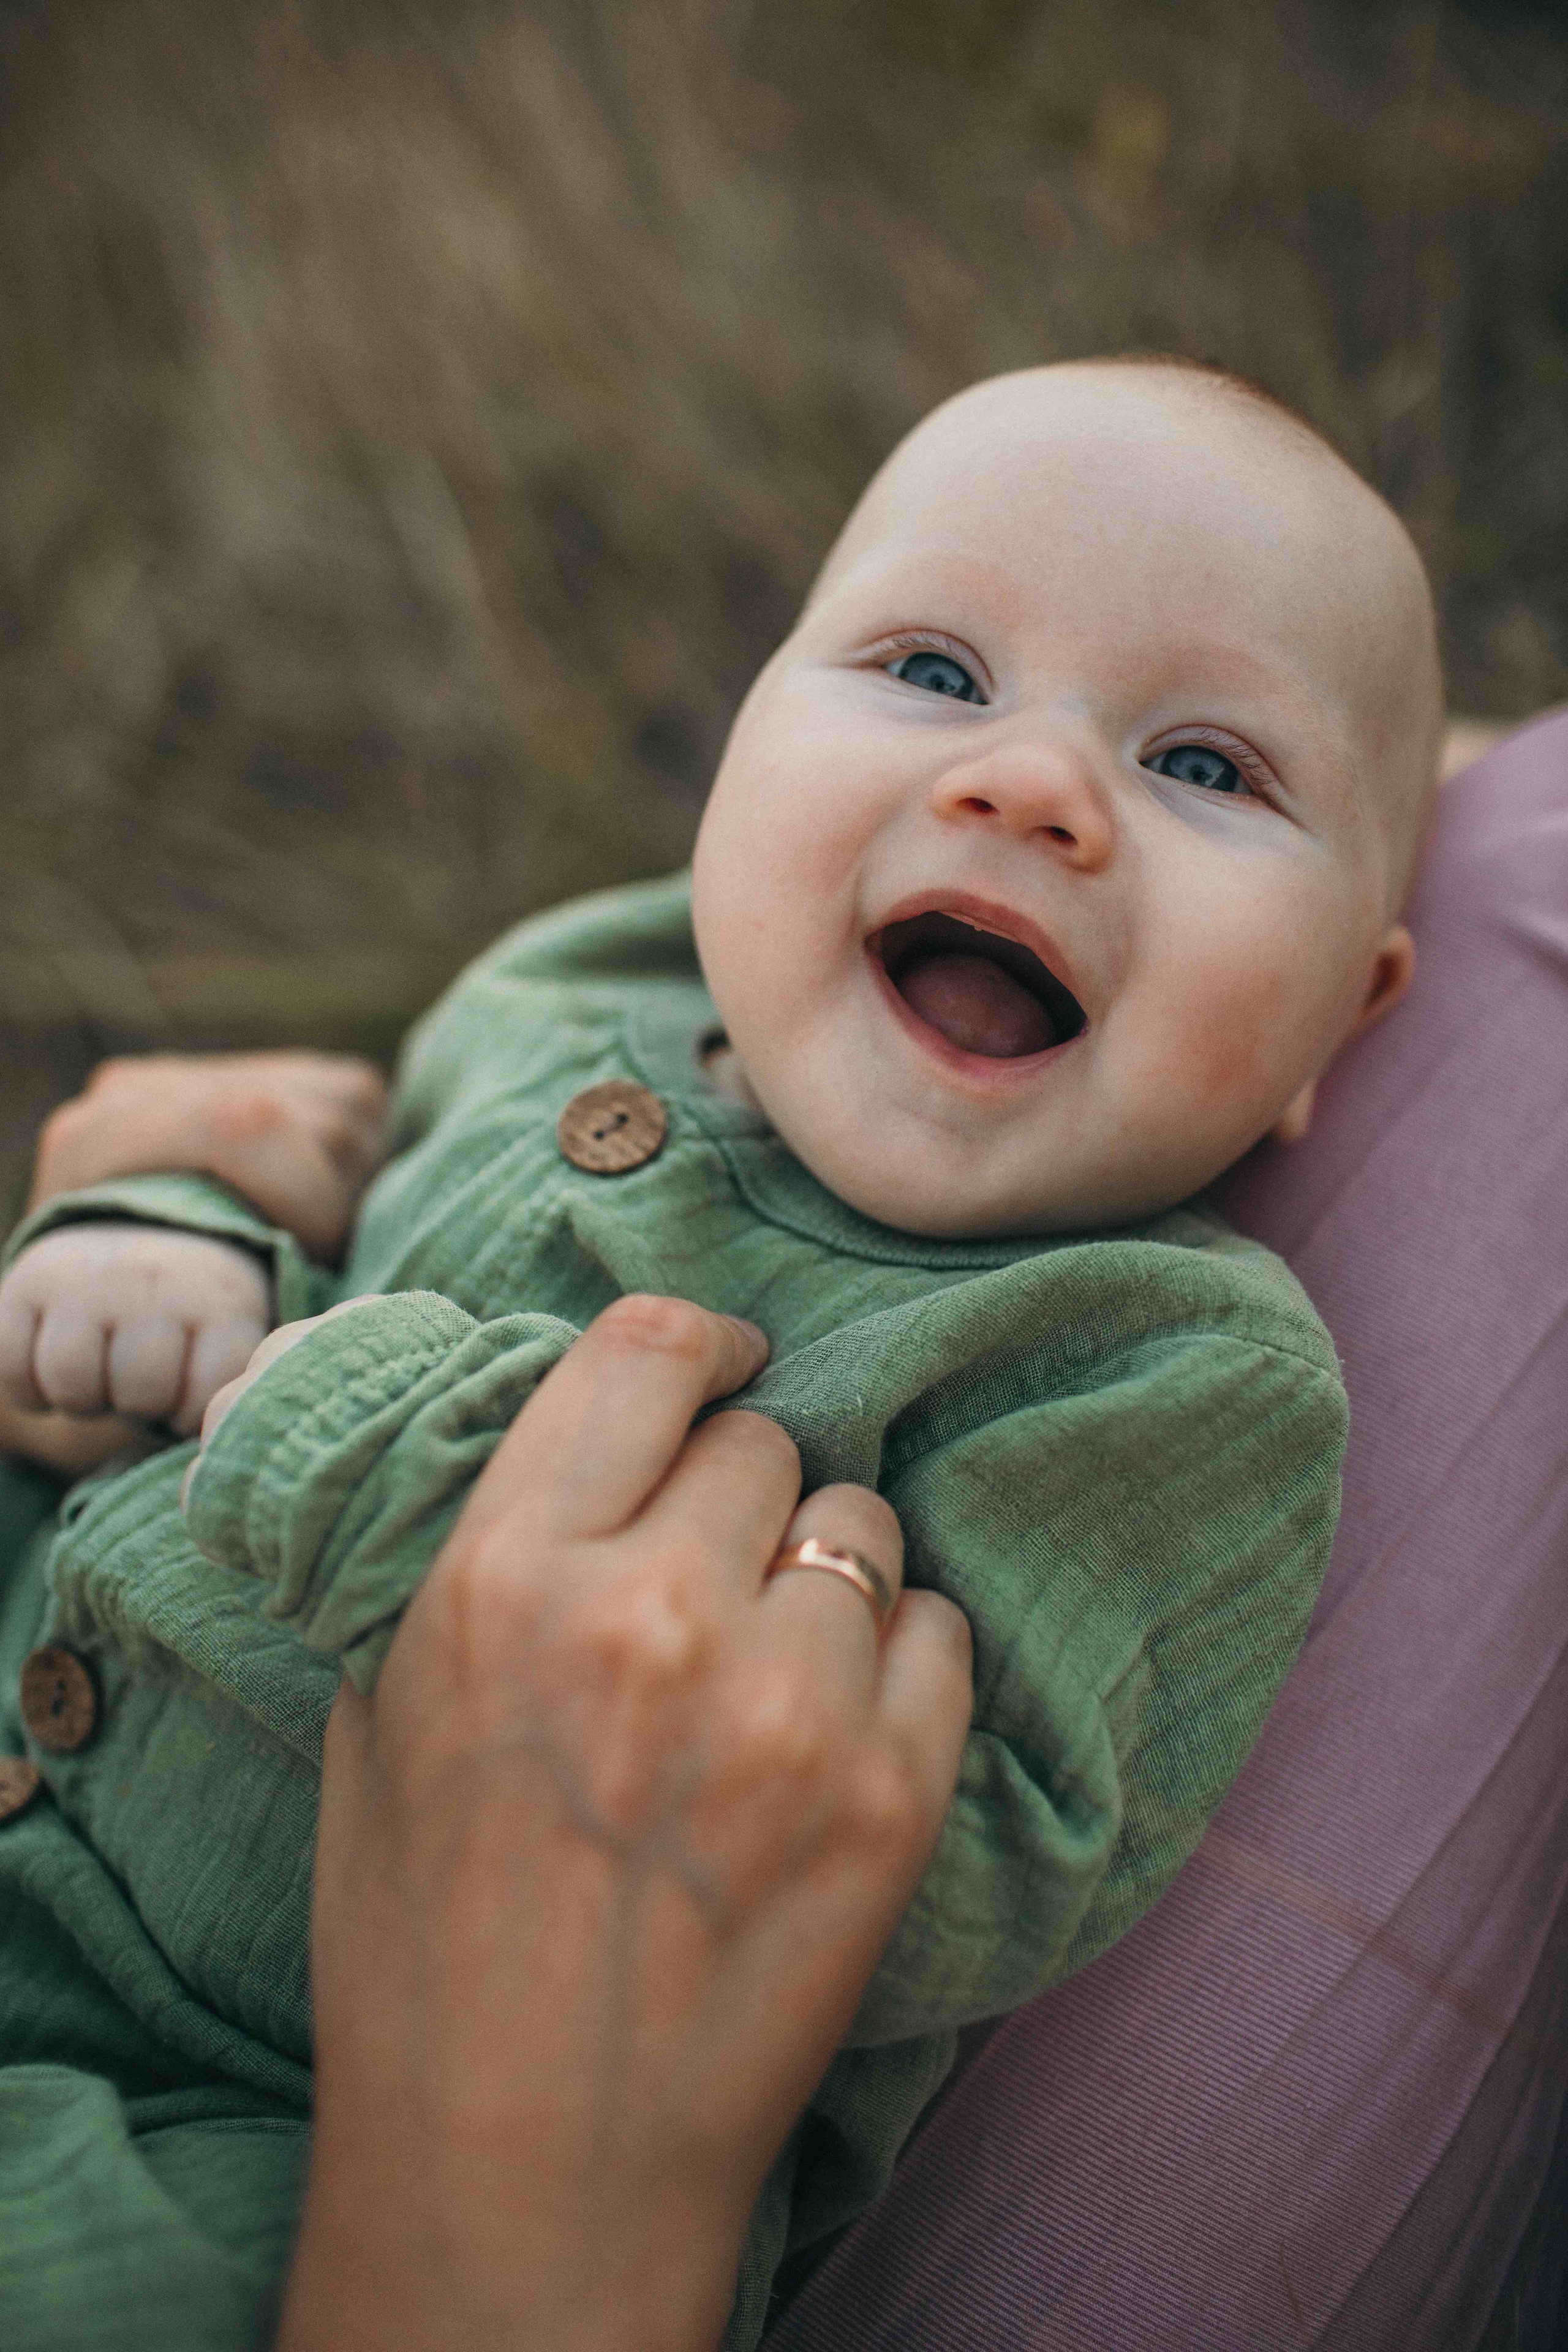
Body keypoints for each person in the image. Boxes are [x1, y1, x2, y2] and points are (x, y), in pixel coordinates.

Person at [0, 358, 1442, 2346]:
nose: (1029, 787)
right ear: (752, 726)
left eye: (1208, 769)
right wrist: (161, 1233)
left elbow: (963, 1855)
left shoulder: (1168, 1360)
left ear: (1336, 1038)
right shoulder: (569, 984)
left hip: (252, 2134)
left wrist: (377, 1450)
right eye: (934, 668)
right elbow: (281, 1280)